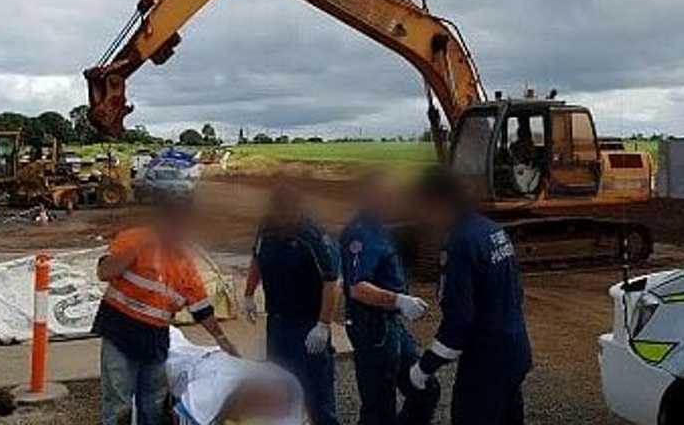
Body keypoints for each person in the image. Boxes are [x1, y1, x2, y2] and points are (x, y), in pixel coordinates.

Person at [93, 200, 239, 425]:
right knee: (118, 399)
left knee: (152, 401)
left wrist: (222, 339)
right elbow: (104, 272)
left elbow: (200, 307)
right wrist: (129, 256)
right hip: (120, 330)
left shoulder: (184, 264)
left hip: (154, 338)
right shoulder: (135, 239)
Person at [408, 169, 532, 425]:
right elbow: (515, 293)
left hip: (486, 361)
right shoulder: (492, 230)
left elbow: (459, 324)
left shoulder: (460, 243)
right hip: (515, 350)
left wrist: (423, 368)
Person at [340, 173, 439, 425]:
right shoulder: (360, 234)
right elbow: (357, 287)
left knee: (426, 388)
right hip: (373, 328)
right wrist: (399, 300)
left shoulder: (382, 228)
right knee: (379, 406)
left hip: (390, 324)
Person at [243, 184, 341, 425]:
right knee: (281, 385)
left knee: (318, 394)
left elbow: (331, 282)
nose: (284, 218)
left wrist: (323, 325)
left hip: (308, 326)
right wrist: (248, 295)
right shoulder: (265, 229)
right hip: (277, 323)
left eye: (289, 212)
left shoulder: (313, 236)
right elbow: (257, 260)